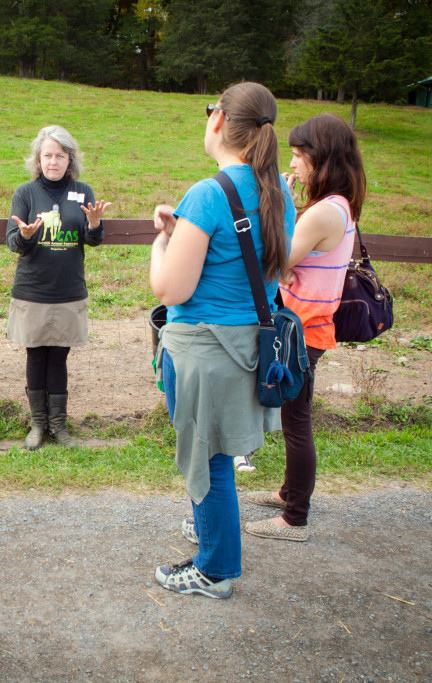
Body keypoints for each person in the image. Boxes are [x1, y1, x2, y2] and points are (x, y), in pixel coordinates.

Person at [150, 83, 295, 598]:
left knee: (206, 457)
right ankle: (213, 544)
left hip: (202, 350)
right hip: (247, 348)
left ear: (219, 120)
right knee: (217, 457)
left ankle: (215, 570)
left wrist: (164, 238)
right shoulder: (279, 189)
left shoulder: (209, 193)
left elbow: (170, 288)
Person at [243, 113, 365, 542]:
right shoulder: (338, 205)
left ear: (323, 158)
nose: (291, 165)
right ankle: (288, 491)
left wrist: (277, 205)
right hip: (309, 327)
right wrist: (285, 265)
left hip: (303, 331)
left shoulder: (323, 213)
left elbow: (270, 258)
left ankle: (295, 517)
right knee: (294, 416)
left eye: (298, 156)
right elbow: (286, 260)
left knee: (296, 423)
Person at [6, 125, 111, 450]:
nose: (53, 161)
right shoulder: (25, 193)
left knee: (60, 358)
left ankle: (59, 426)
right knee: (36, 357)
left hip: (68, 292)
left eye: (60, 156)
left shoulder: (83, 191)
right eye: (48, 155)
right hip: (32, 292)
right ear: (39, 159)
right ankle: (38, 426)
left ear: (70, 159)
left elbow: (93, 241)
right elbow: (12, 242)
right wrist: (23, 236)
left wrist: (94, 224)